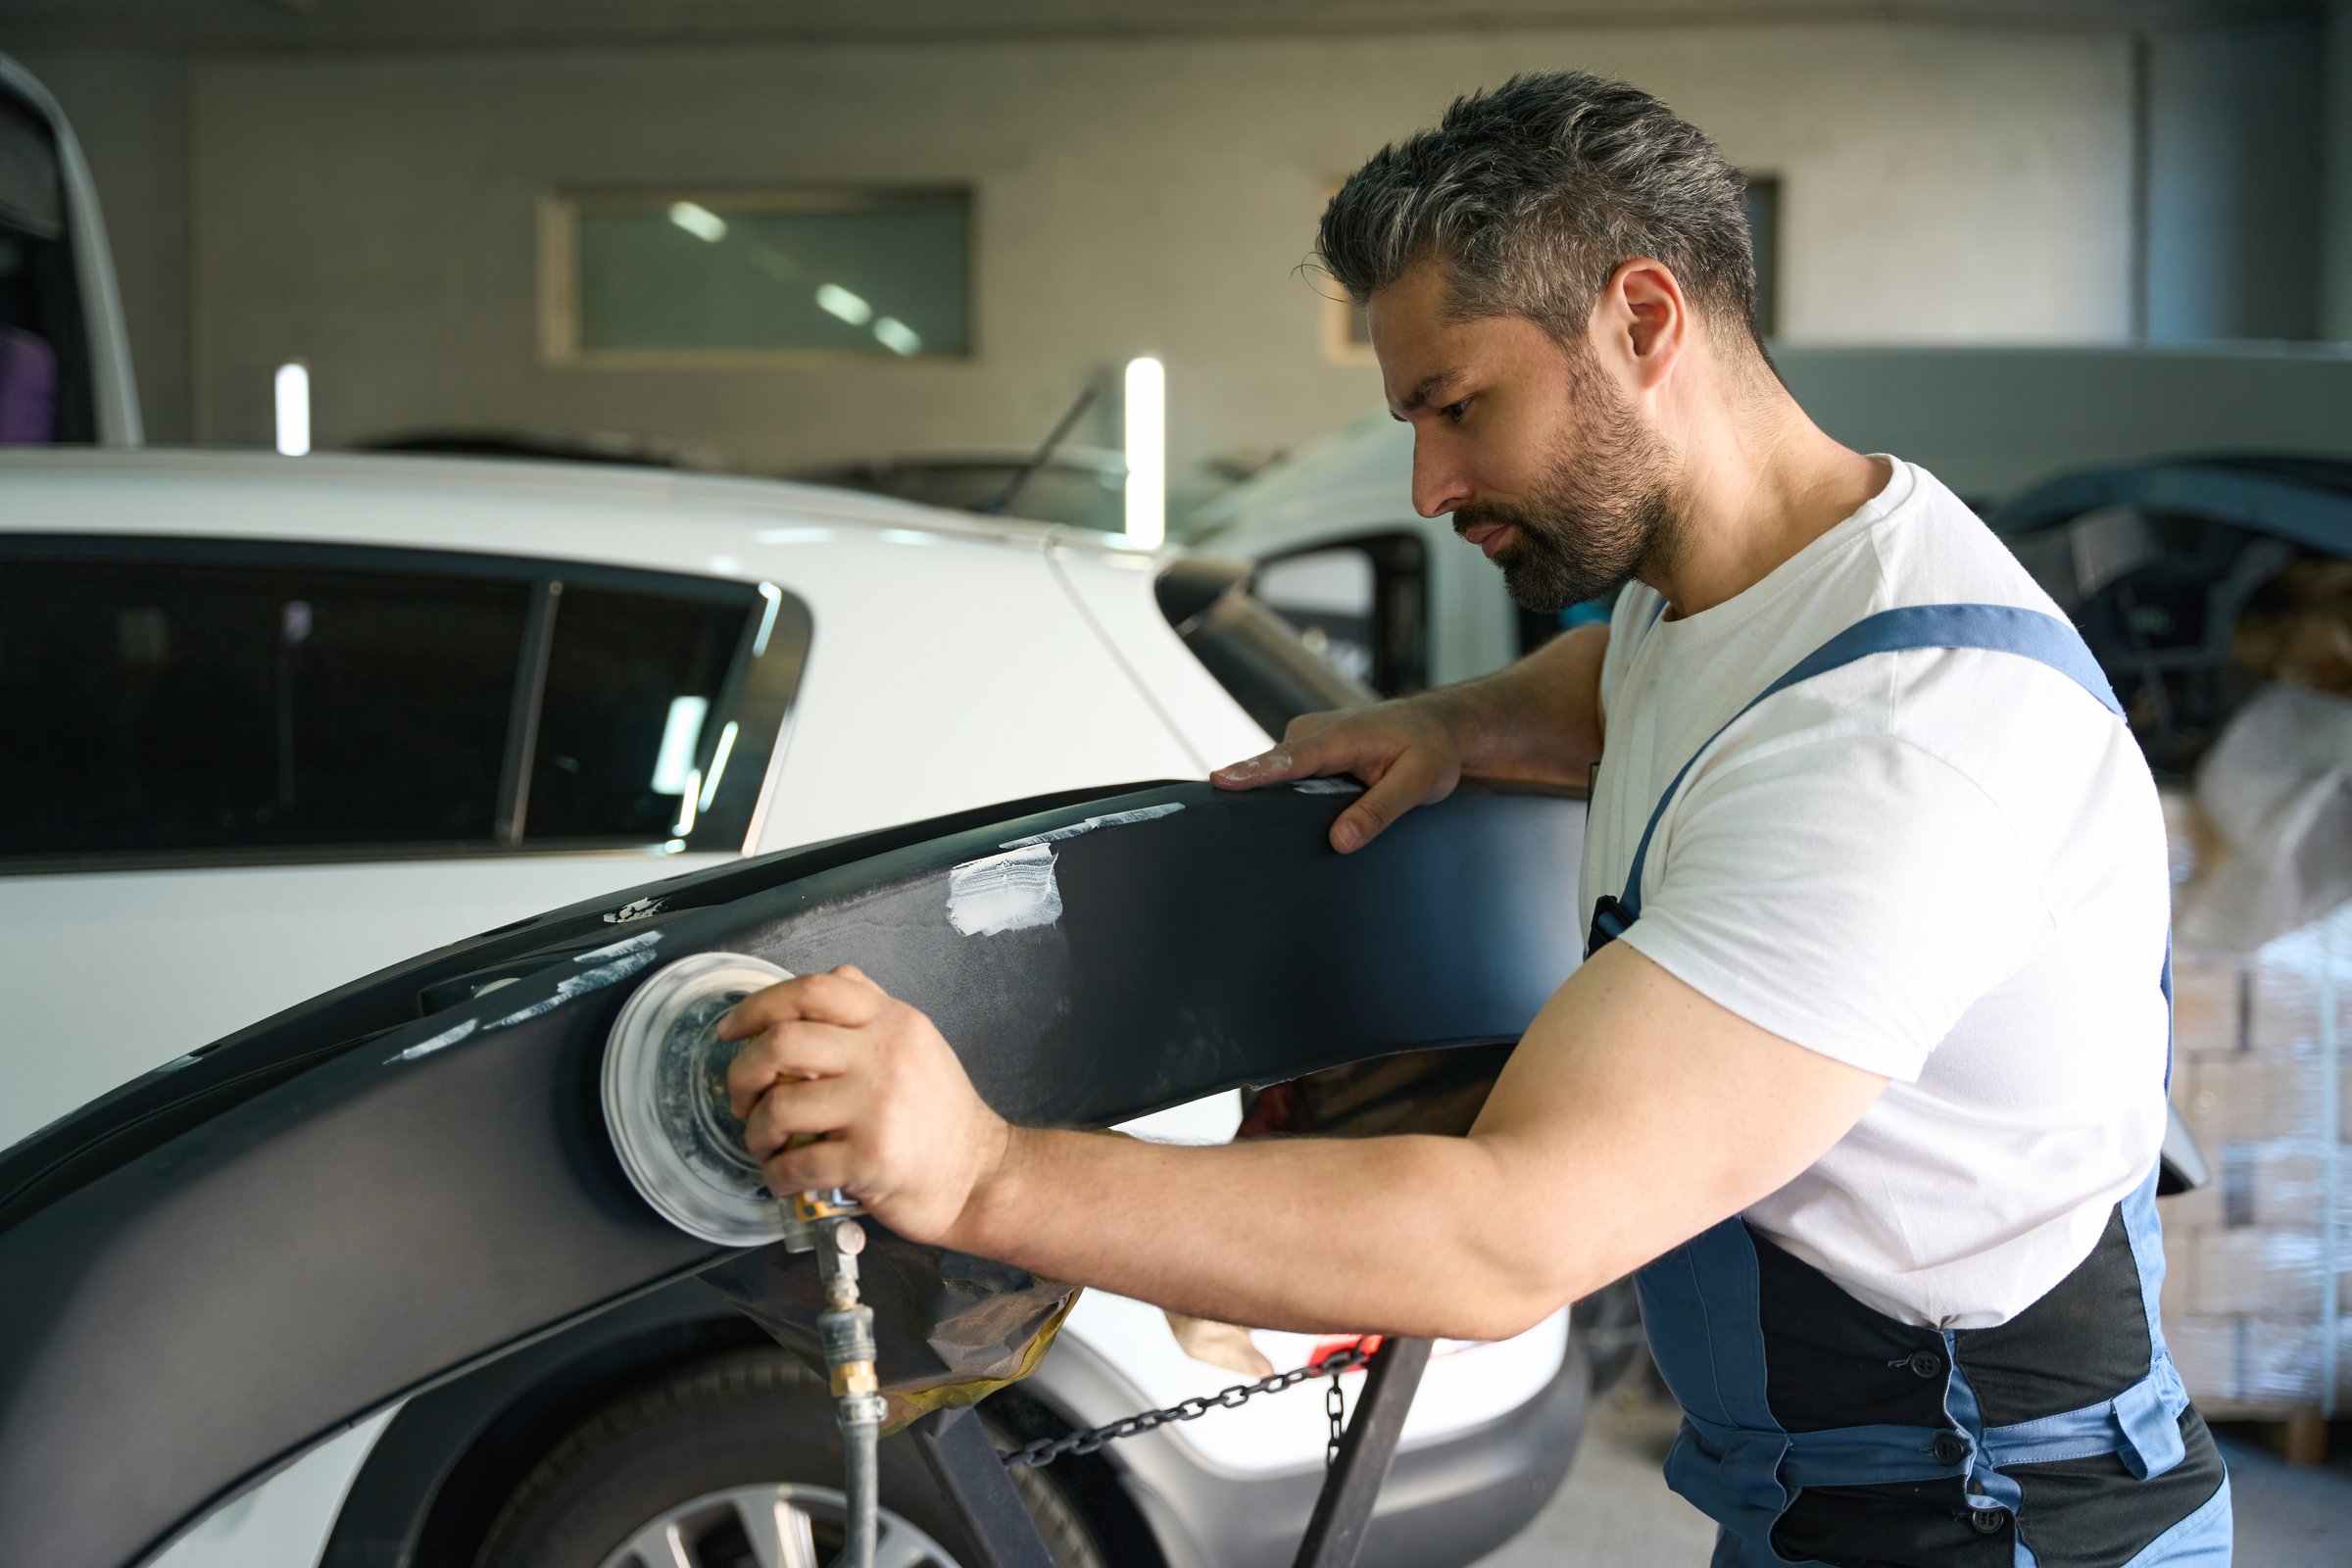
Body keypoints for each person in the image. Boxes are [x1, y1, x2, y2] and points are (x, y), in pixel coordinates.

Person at [718, 73, 2230, 1565]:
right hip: (1824, 1499)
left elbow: (1511, 1235)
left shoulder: (1903, 746)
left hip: (1996, 1516)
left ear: (1644, 321)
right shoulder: (1757, 589)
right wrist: (1455, 726)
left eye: (1458, 407)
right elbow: (1639, 681)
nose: (1430, 484)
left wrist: (982, 1171)